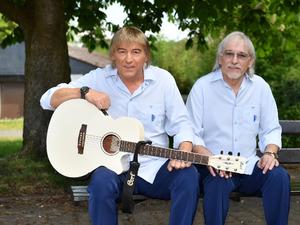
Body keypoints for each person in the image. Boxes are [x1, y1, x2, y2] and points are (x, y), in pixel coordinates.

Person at [40, 26, 199, 225]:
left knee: (188, 177)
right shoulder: (99, 78)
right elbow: (47, 99)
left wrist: (184, 149)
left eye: (136, 52)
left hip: (155, 166)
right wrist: (84, 92)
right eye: (122, 51)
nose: (128, 59)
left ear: (146, 56)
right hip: (112, 167)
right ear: (113, 55)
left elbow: (181, 122)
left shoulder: (163, 80)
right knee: (100, 183)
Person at [186, 31, 290, 225]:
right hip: (214, 166)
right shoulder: (202, 87)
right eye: (229, 54)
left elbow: (271, 129)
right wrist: (210, 158)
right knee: (217, 184)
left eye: (241, 55)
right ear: (220, 58)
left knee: (279, 177)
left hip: (249, 165)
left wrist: (270, 153)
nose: (234, 60)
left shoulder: (260, 87)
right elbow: (191, 132)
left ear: (250, 61)